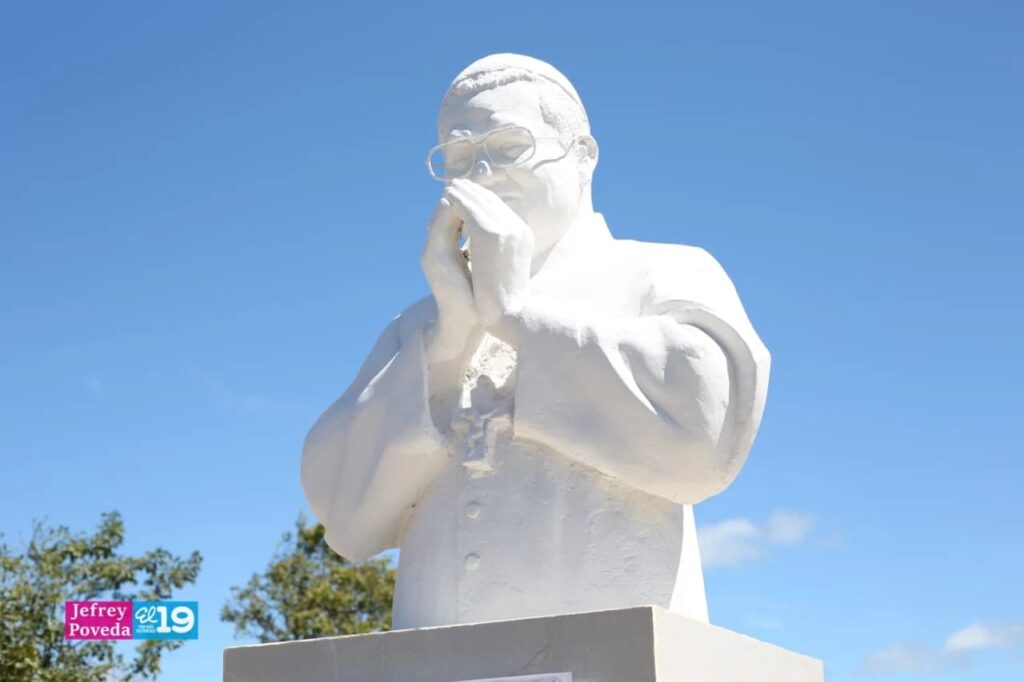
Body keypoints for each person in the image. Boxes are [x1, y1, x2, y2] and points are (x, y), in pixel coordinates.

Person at [301, 53, 770, 629]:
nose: (481, 173)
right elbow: (340, 511)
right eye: (460, 155)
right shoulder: (419, 324)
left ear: (583, 156)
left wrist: (518, 318)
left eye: (508, 146)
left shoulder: (663, 272)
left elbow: (706, 440)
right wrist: (445, 347)